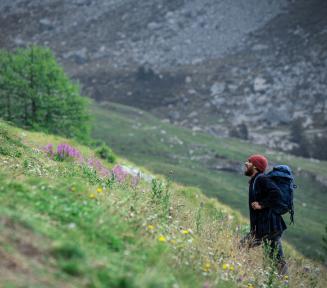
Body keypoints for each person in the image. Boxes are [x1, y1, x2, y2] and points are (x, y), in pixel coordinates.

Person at [242, 154, 288, 275]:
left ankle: (283, 283)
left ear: (256, 166)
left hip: (270, 227)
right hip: (262, 228)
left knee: (277, 262)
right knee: (274, 261)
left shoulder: (261, 179)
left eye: (249, 162)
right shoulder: (255, 180)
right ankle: (280, 281)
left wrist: (262, 204)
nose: (246, 163)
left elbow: (277, 194)